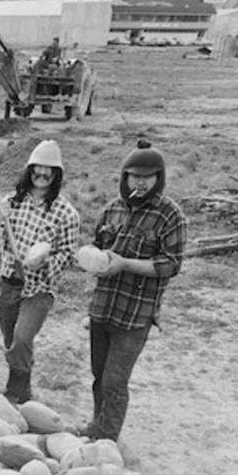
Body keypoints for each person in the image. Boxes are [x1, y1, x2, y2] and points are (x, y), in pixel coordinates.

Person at [82, 139, 187, 442]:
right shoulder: (112, 209)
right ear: (125, 176)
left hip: (135, 314)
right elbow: (100, 249)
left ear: (159, 178)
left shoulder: (170, 215)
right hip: (103, 307)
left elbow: (170, 265)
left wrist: (125, 264)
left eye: (147, 176)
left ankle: (106, 439)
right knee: (99, 375)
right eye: (134, 176)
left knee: (115, 381)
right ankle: (96, 425)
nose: (140, 182)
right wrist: (91, 257)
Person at [0, 139, 80, 404]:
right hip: (10, 281)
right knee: (11, 340)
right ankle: (24, 390)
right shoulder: (9, 203)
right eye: (37, 168)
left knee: (22, 337)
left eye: (48, 169)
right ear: (29, 170)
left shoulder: (66, 213)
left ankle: (14, 390)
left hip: (40, 288)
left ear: (56, 174)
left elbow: (68, 255)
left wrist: (43, 263)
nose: (42, 173)